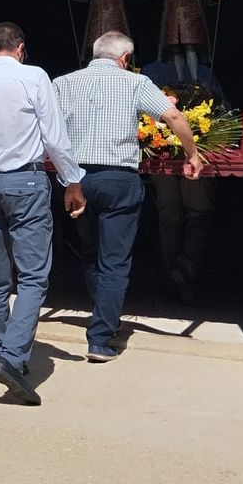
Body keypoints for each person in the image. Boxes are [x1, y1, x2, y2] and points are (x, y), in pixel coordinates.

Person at [0, 22, 86, 405]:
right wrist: (72, 181)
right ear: (20, 48)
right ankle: (12, 356)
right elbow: (54, 135)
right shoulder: (33, 77)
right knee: (34, 276)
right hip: (26, 182)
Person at [53, 32, 203, 363]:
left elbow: (47, 127)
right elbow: (173, 116)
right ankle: (101, 337)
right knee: (115, 260)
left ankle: (102, 316)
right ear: (124, 59)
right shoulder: (134, 83)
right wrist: (192, 153)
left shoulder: (64, 83)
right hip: (118, 179)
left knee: (91, 253)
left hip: (77, 179)